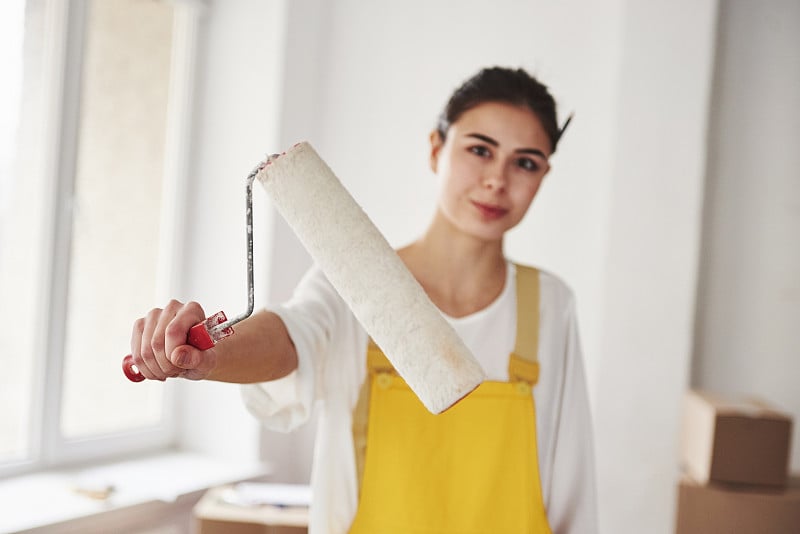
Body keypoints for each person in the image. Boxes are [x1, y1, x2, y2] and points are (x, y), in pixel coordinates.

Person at [129, 66, 597, 534]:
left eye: (526, 162)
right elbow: (290, 339)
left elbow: (573, 485)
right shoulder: (351, 282)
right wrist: (211, 355)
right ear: (436, 148)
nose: (498, 179)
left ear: (544, 175)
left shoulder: (550, 305)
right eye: (480, 150)